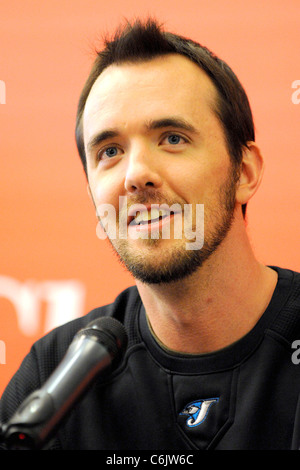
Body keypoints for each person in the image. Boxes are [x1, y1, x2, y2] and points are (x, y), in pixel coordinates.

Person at [1, 18, 300, 451]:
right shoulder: (54, 373)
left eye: (172, 138)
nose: (136, 175)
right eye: (109, 151)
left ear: (245, 172)